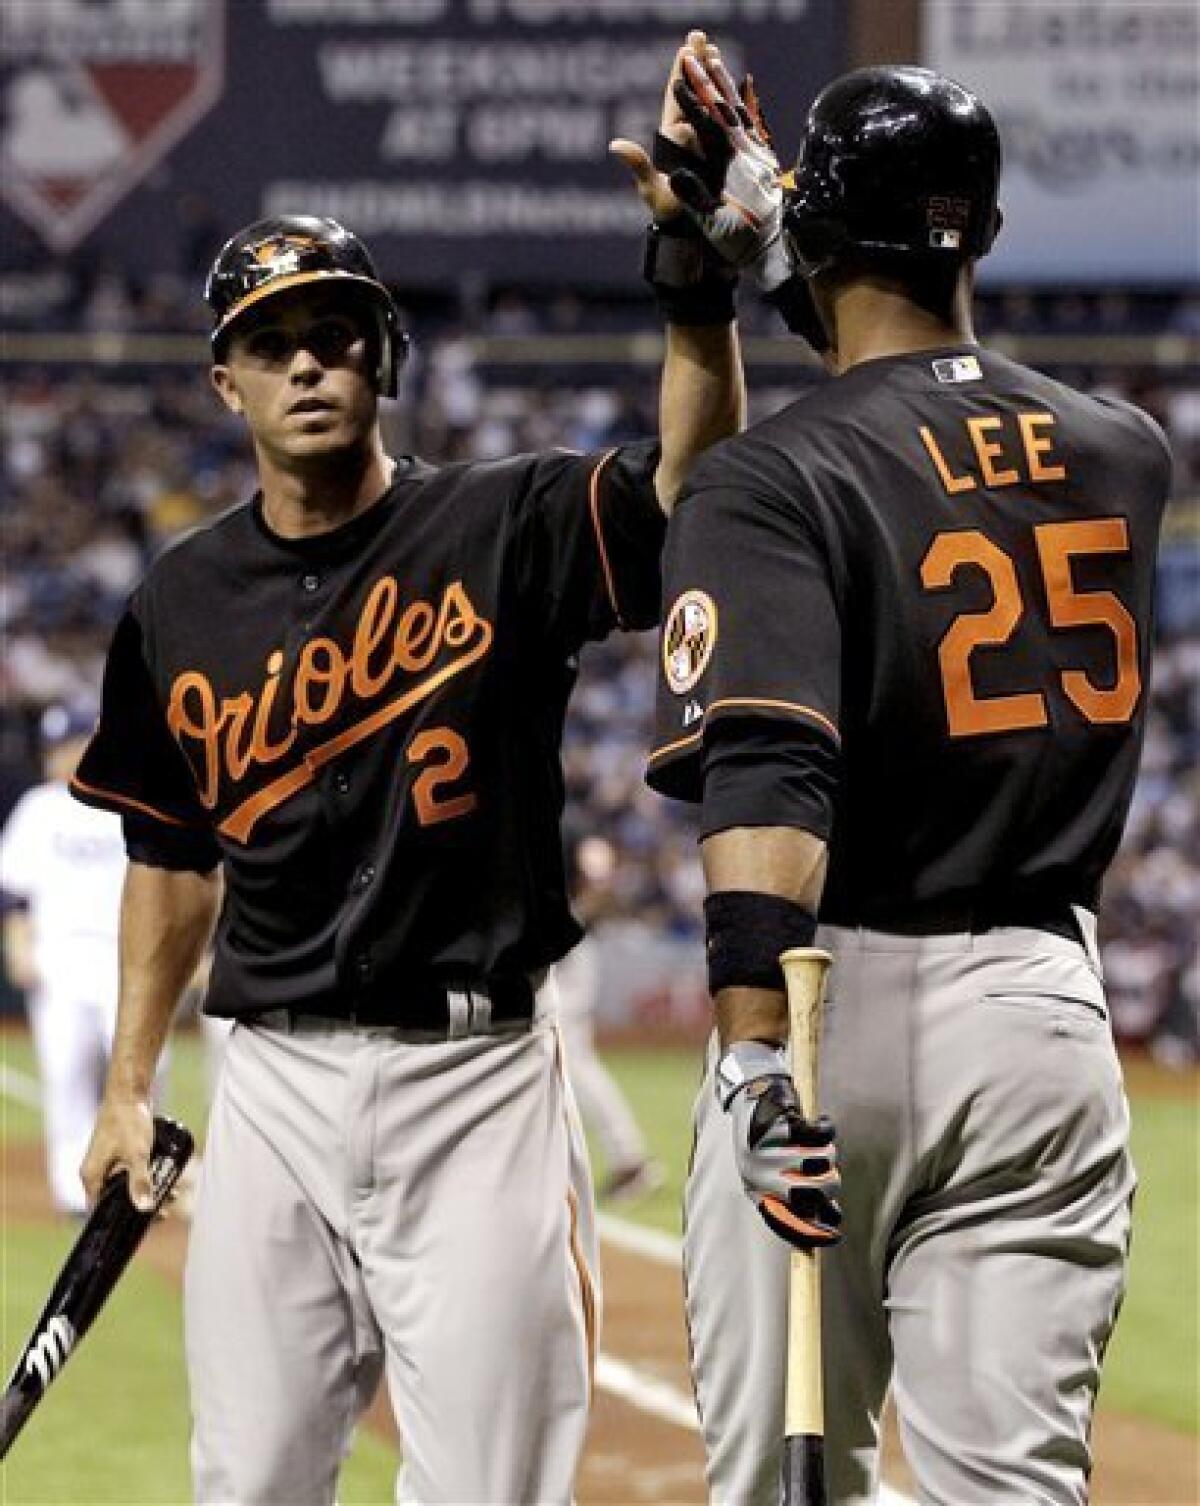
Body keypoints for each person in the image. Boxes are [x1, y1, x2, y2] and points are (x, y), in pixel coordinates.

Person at [71, 33, 745, 1505]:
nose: (308, 358)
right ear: (227, 379)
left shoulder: (502, 522)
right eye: (272, 339)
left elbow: (693, 483)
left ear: (383, 350)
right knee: (246, 1483)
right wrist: (130, 1083)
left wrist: (696, 286)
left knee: (490, 1490)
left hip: (476, 1078)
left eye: (336, 329)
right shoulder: (175, 602)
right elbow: (169, 858)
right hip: (270, 1084)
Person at [646, 64, 1171, 1504]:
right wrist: (793, 239)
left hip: (833, 1009)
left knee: (775, 1478)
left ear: (816, 236)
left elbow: (770, 776)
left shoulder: (769, 480)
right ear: (981, 234)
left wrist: (755, 1052)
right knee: (1008, 1487)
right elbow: (921, 407)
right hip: (1048, 1018)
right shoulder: (1124, 453)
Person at [0, 705, 128, 1215]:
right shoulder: (39, 808)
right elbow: (13, 890)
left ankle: (137, 1176)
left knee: (145, 1064)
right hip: (60, 957)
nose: (61, 755)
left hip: (122, 958)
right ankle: (73, 1194)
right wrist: (18, 944)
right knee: (67, 1072)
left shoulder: (125, 802)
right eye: (55, 747)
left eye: (70, 744)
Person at [558, 828, 663, 1201]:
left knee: (575, 1063)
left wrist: (574, 917)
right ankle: (620, 1158)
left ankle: (629, 1158)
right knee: (561, 1065)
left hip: (565, 948)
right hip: (558, 943)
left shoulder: (572, 824)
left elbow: (601, 880)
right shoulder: (559, 817)